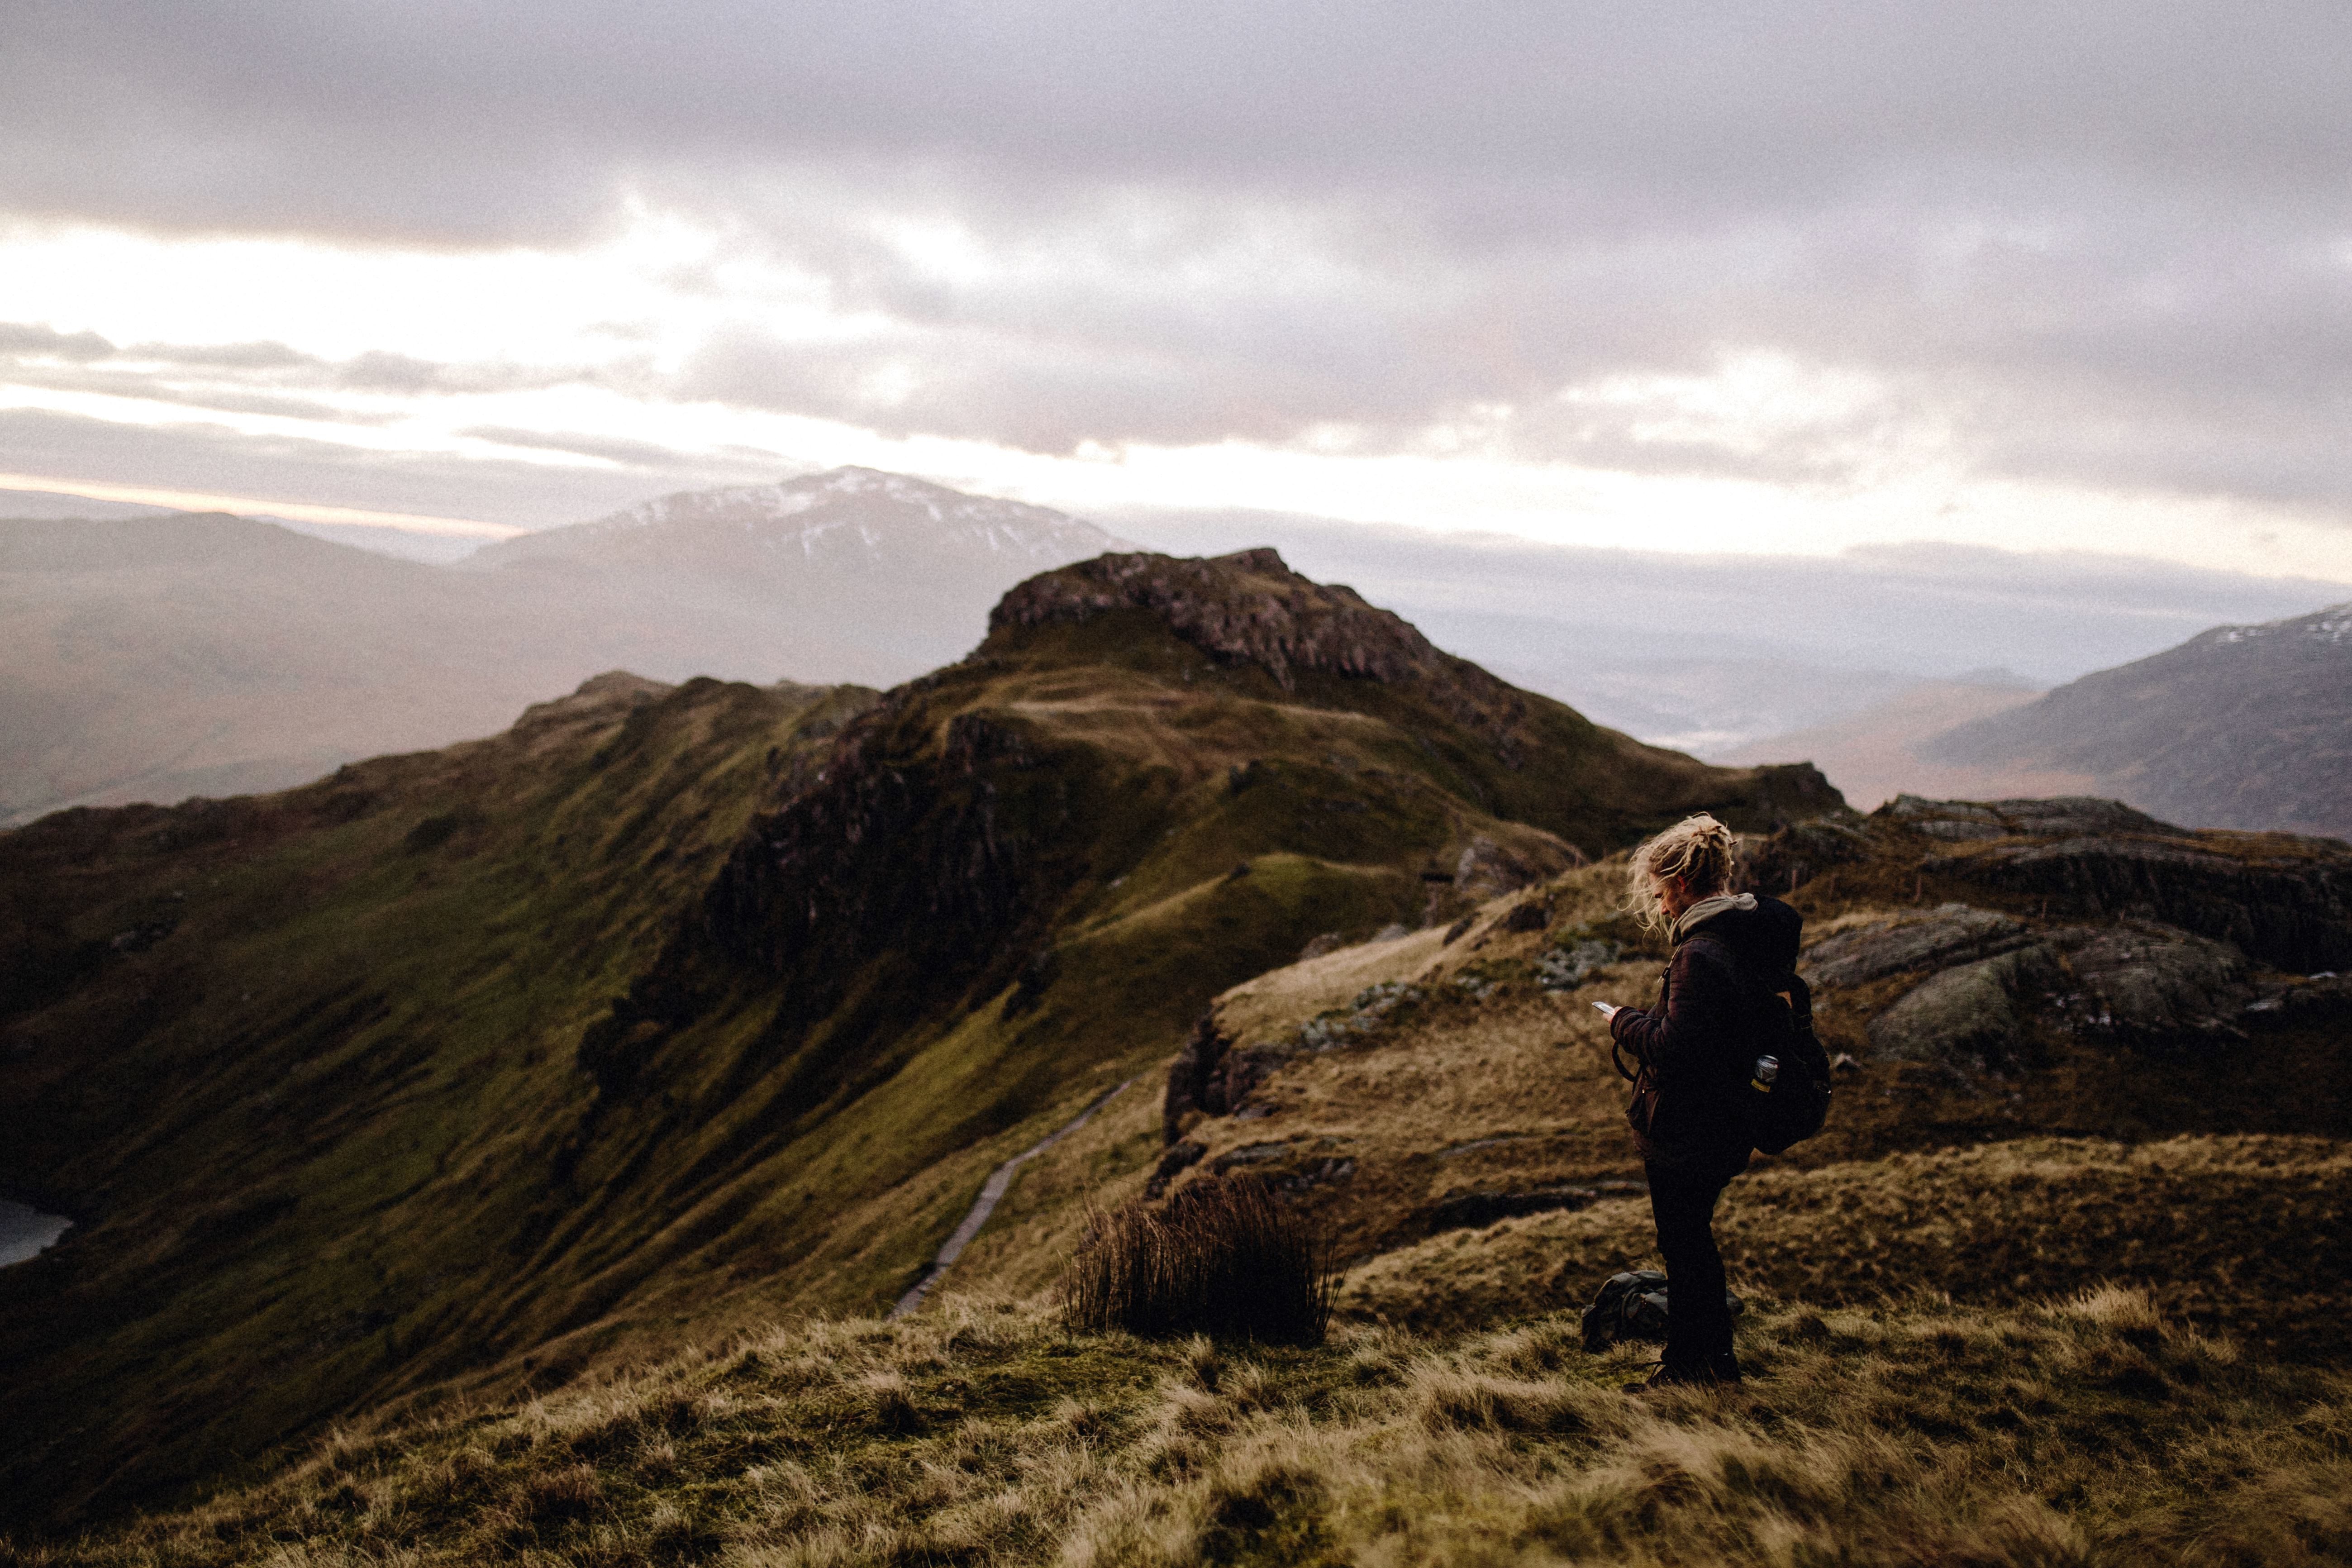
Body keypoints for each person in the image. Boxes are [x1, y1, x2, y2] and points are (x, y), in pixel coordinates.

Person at [1595, 812, 1801, 1389]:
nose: (1660, 908)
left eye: (1661, 894)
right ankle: (1711, 1362)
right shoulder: (1750, 934)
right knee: (1692, 1241)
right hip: (1733, 1114)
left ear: (1681, 885)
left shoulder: (1698, 954)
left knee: (1684, 1246)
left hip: (1691, 1125)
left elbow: (1674, 1046)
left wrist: (1622, 1022)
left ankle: (1694, 1367)